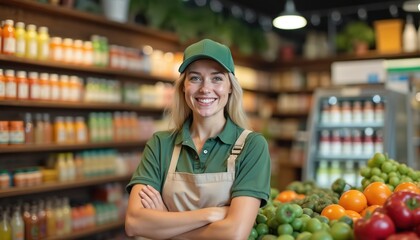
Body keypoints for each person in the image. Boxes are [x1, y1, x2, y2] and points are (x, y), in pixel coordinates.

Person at [125, 38, 271, 240]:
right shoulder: (160, 144)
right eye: (195, 78)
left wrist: (165, 222)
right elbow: (134, 223)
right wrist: (210, 214)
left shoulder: (252, 146)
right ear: (183, 87)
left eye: (217, 78)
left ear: (230, 87)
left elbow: (234, 234)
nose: (205, 88)